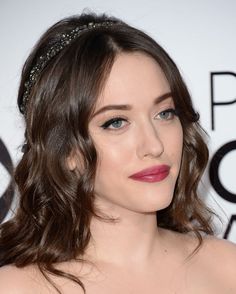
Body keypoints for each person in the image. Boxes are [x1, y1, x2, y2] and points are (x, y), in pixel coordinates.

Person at [0, 12, 235, 294]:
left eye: (164, 113)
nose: (154, 145)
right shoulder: (16, 287)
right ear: (65, 151)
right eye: (116, 122)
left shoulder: (226, 267)